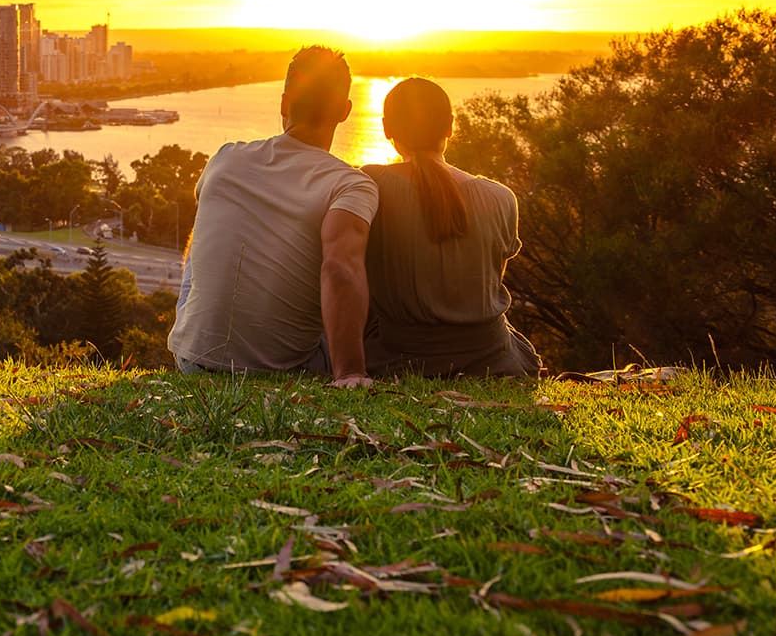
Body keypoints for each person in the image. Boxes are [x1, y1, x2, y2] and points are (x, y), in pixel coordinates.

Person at [169, 46, 377, 386]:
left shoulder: (225, 158)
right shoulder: (349, 183)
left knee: (204, 222)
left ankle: (204, 336)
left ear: (284, 103)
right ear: (345, 111)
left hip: (192, 360)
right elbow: (341, 269)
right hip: (285, 371)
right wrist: (351, 372)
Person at [359, 78, 538, 377]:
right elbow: (488, 280)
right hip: (490, 357)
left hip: (401, 358)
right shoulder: (501, 198)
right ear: (450, 126)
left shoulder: (371, 185)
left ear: (387, 128)